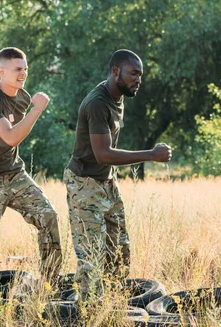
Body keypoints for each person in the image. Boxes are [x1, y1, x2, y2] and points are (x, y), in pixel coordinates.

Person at [64, 49, 172, 301]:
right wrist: (151, 154)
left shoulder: (119, 96)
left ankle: (112, 306)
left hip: (106, 180)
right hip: (84, 183)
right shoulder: (97, 103)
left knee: (119, 251)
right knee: (92, 256)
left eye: (141, 75)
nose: (139, 80)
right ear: (116, 72)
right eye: (134, 74)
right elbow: (103, 154)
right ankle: (86, 309)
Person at [0, 47, 62, 283]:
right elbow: (10, 137)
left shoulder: (23, 96)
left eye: (26, 69)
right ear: (2, 71)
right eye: (18, 69)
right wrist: (37, 110)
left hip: (14, 174)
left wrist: (31, 107)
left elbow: (17, 134)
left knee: (48, 216)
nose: (23, 74)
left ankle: (50, 284)